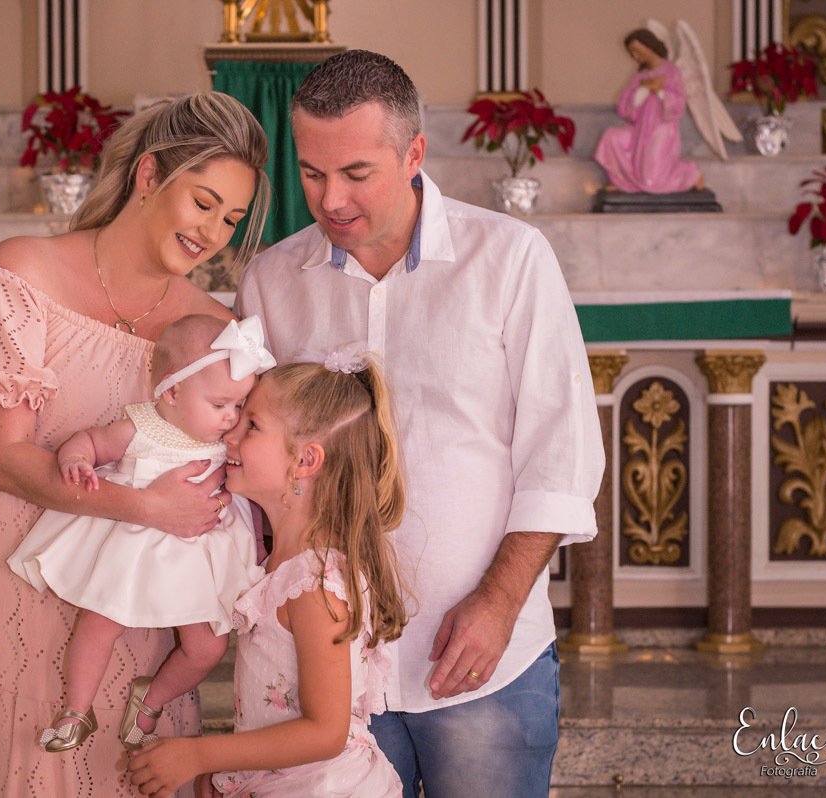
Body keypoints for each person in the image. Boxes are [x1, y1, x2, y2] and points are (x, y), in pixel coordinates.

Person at [234, 50, 605, 797]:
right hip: (320, 674)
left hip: (478, 658)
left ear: (414, 154)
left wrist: (499, 601)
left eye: (356, 173)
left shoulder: (509, 259)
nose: (330, 199)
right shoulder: (272, 281)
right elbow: (244, 457)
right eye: (312, 173)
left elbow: (561, 452)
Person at [0, 91, 271, 797]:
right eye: (203, 203)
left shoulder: (212, 331)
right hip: (15, 576)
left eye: (231, 218)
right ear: (148, 175)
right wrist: (147, 507)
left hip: (141, 600)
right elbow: (1, 459)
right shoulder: (24, 272)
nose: (214, 233)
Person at [127, 358, 409, 798]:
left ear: (305, 460)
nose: (230, 434)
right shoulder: (283, 564)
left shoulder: (315, 585)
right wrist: (232, 773)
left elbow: (325, 732)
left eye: (252, 425)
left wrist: (200, 755)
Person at [6, 314, 273, 753]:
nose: (232, 417)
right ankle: (77, 709)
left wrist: (244, 524)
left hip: (199, 555)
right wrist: (76, 459)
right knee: (99, 623)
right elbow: (90, 441)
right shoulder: (143, 429)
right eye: (220, 405)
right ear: (172, 392)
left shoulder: (229, 442)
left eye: (239, 405)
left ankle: (151, 700)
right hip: (134, 543)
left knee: (207, 648)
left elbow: (246, 492)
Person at [594, 28, 704, 193]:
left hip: (660, 130)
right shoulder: (640, 76)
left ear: (649, 45)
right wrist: (643, 90)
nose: (635, 56)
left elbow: (678, 104)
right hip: (639, 130)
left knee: (651, 181)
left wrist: (660, 91)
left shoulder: (670, 71)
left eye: (637, 50)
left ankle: (689, 173)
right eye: (632, 52)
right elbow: (624, 108)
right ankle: (621, 180)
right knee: (611, 137)